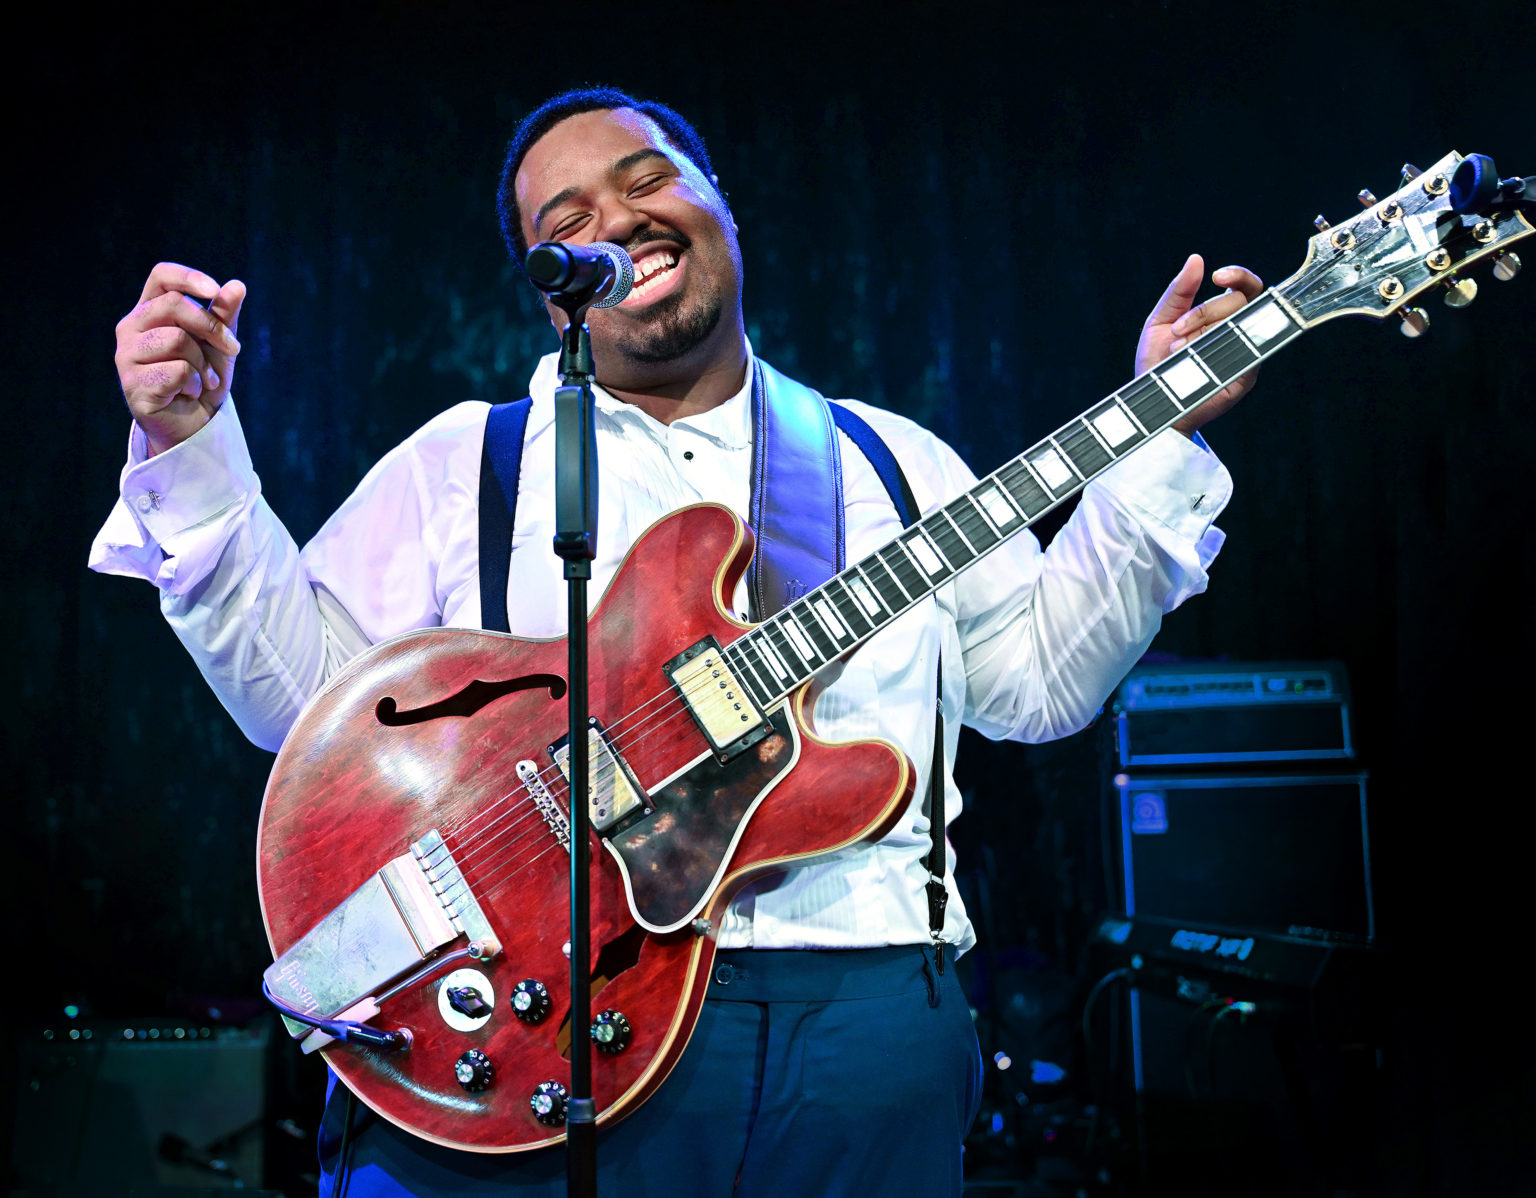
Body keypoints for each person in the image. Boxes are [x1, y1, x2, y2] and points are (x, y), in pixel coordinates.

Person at [92, 87, 1261, 1197]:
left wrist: (1161, 428)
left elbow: (1044, 682)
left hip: (862, 1029)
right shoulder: (468, 465)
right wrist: (193, 452)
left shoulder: (892, 463)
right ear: (551, 291)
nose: (618, 220)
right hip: (546, 1004)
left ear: (720, 204)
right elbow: (302, 707)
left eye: (647, 179)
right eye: (568, 223)